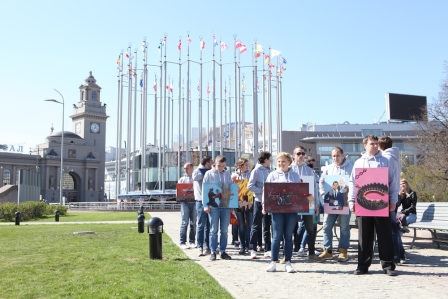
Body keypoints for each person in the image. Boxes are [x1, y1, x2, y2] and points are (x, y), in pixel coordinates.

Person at [348, 135, 399, 276]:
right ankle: (362, 266)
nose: (375, 146)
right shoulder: (358, 162)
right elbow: (352, 183)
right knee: (364, 237)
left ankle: (388, 265)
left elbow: (392, 182)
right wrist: (351, 201)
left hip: (382, 204)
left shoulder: (385, 161)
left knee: (385, 235)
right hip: (363, 204)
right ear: (365, 145)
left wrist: (393, 200)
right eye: (372, 143)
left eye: (377, 143)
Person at [263, 152, 300, 273]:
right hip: (276, 210)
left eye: (283, 161)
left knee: (288, 236)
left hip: (291, 210)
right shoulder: (272, 175)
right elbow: (266, 191)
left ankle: (288, 262)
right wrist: (265, 205)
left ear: (289, 162)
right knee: (276, 236)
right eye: (279, 161)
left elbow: (299, 192)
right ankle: (273, 262)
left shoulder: (295, 176)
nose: (281, 164)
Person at [318, 147, 353, 261]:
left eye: (337, 155)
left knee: (344, 227)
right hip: (331, 202)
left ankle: (343, 250)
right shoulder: (328, 168)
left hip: (345, 202)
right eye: (333, 156)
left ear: (343, 155)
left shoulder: (350, 168)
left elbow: (354, 183)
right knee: (327, 226)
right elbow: (322, 182)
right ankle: (327, 250)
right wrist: (324, 195)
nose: (335, 158)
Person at [291, 146, 322, 262]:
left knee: (310, 228)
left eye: (303, 153)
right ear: (294, 155)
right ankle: (290, 252)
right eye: (298, 153)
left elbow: (314, 188)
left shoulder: (309, 171)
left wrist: (316, 204)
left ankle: (311, 253)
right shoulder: (289, 169)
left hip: (308, 201)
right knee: (289, 228)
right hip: (292, 202)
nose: (301, 156)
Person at [378, 136, 403, 264]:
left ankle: (395, 255)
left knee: (391, 227)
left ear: (380, 146)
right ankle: (400, 253)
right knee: (394, 226)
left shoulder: (386, 158)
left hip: (388, 195)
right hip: (396, 194)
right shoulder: (396, 157)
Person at [203, 155, 233, 261]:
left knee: (224, 230)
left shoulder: (227, 174)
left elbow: (231, 189)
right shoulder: (209, 174)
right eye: (219, 165)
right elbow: (205, 190)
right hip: (213, 206)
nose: (221, 168)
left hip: (225, 205)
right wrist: (205, 205)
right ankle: (213, 251)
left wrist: (232, 205)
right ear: (214, 164)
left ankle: (223, 251)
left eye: (223, 166)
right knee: (213, 230)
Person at [248, 151, 272, 259]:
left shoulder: (269, 171)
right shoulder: (256, 170)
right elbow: (250, 186)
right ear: (265, 159)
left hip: (268, 201)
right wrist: (261, 190)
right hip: (258, 201)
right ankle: (252, 248)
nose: (270, 161)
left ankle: (268, 249)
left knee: (267, 226)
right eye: (269, 159)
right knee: (256, 225)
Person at [231, 157, 253, 255]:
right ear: (240, 165)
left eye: (247, 165)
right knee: (241, 224)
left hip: (248, 200)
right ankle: (242, 245)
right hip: (238, 201)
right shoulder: (234, 175)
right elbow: (231, 189)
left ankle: (249, 244)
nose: (247, 167)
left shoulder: (250, 174)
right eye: (245, 165)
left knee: (249, 223)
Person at [192, 155, 213, 256]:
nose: (212, 164)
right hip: (200, 201)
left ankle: (208, 246)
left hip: (210, 200)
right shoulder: (198, 170)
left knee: (209, 225)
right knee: (201, 224)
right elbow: (195, 177)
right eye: (211, 162)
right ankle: (200, 246)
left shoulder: (210, 171)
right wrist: (205, 174)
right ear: (207, 162)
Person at [178, 162, 197, 250]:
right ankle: (182, 242)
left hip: (194, 203)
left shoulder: (195, 178)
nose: (185, 170)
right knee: (184, 222)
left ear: (191, 168)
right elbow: (179, 191)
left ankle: (192, 241)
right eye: (184, 168)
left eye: (187, 168)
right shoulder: (181, 179)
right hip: (185, 203)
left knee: (193, 223)